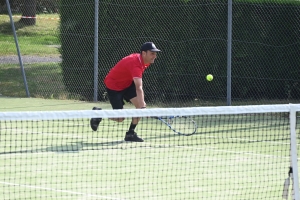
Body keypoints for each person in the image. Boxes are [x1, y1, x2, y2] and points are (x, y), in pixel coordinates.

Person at [90, 42, 161, 142]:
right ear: (144, 53)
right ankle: (99, 113)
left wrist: (141, 106)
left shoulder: (145, 61)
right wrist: (143, 108)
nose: (155, 56)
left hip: (127, 84)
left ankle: (130, 134)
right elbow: (139, 87)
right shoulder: (135, 64)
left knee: (140, 105)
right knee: (120, 118)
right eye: (152, 53)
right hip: (114, 85)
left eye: (155, 53)